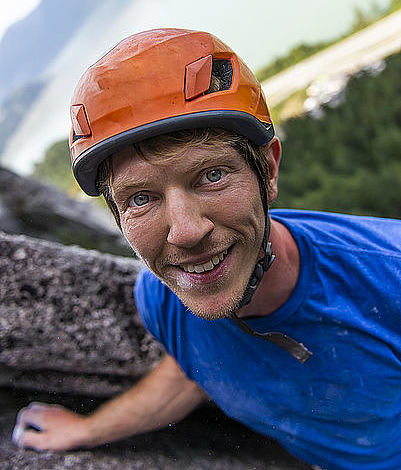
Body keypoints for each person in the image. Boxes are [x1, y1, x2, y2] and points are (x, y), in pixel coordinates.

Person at [12, 28, 401, 470]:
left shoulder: (388, 276)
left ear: (268, 169)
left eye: (211, 175)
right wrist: (88, 430)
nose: (185, 232)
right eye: (140, 199)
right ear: (118, 217)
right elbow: (191, 369)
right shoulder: (163, 299)